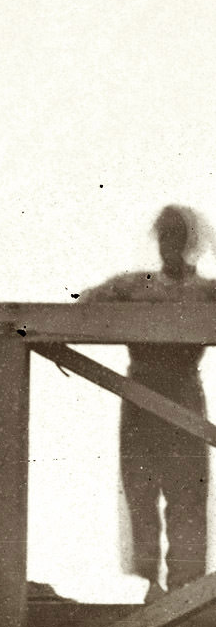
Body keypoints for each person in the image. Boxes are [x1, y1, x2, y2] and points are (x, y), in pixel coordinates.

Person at [81, 204, 216, 602]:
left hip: (183, 391)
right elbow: (84, 306)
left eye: (178, 237)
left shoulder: (208, 291)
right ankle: (147, 584)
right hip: (140, 392)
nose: (171, 246)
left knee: (188, 491)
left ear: (192, 243)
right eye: (165, 237)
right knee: (140, 488)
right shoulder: (134, 286)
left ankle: (186, 586)